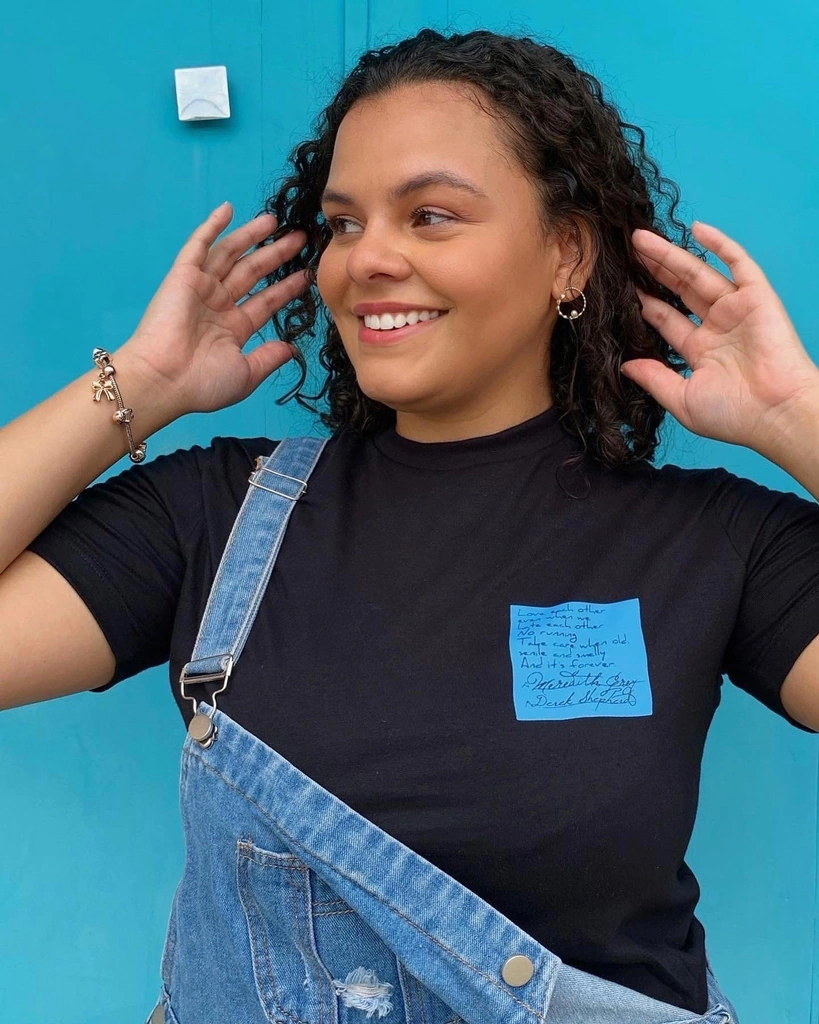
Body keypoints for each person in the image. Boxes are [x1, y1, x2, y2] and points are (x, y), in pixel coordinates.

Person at [2, 26, 818, 1024]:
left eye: (430, 215)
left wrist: (798, 417)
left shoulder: (717, 541)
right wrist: (140, 382)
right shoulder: (219, 511)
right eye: (343, 224)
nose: (369, 259)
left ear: (566, 254)